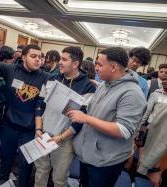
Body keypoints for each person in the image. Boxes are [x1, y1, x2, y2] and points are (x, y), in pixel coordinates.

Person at [67, 47, 147, 187]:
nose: (95, 68)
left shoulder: (132, 94)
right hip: (89, 154)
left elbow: (123, 130)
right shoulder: (105, 85)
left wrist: (86, 119)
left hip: (105, 161)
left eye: (100, 64)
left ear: (113, 67)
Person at [0, 44, 51, 187]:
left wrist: (90, 82)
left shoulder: (47, 77)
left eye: (40, 57)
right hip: (9, 125)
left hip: (30, 129)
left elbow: (67, 80)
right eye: (33, 56)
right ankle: (2, 182)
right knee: (6, 158)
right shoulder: (10, 69)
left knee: (26, 163)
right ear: (23, 57)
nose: (38, 60)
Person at [34, 46, 96, 187]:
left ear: (75, 64)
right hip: (42, 134)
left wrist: (61, 137)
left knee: (59, 178)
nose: (60, 62)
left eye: (64, 59)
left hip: (64, 140)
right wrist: (38, 129)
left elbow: (82, 119)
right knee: (40, 171)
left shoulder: (88, 87)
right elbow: (39, 105)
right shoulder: (51, 78)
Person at [137, 76, 167, 187]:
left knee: (156, 161)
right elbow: (146, 113)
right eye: (163, 80)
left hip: (163, 134)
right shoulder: (156, 94)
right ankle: (139, 177)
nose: (164, 82)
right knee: (143, 159)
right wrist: (139, 129)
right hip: (150, 130)